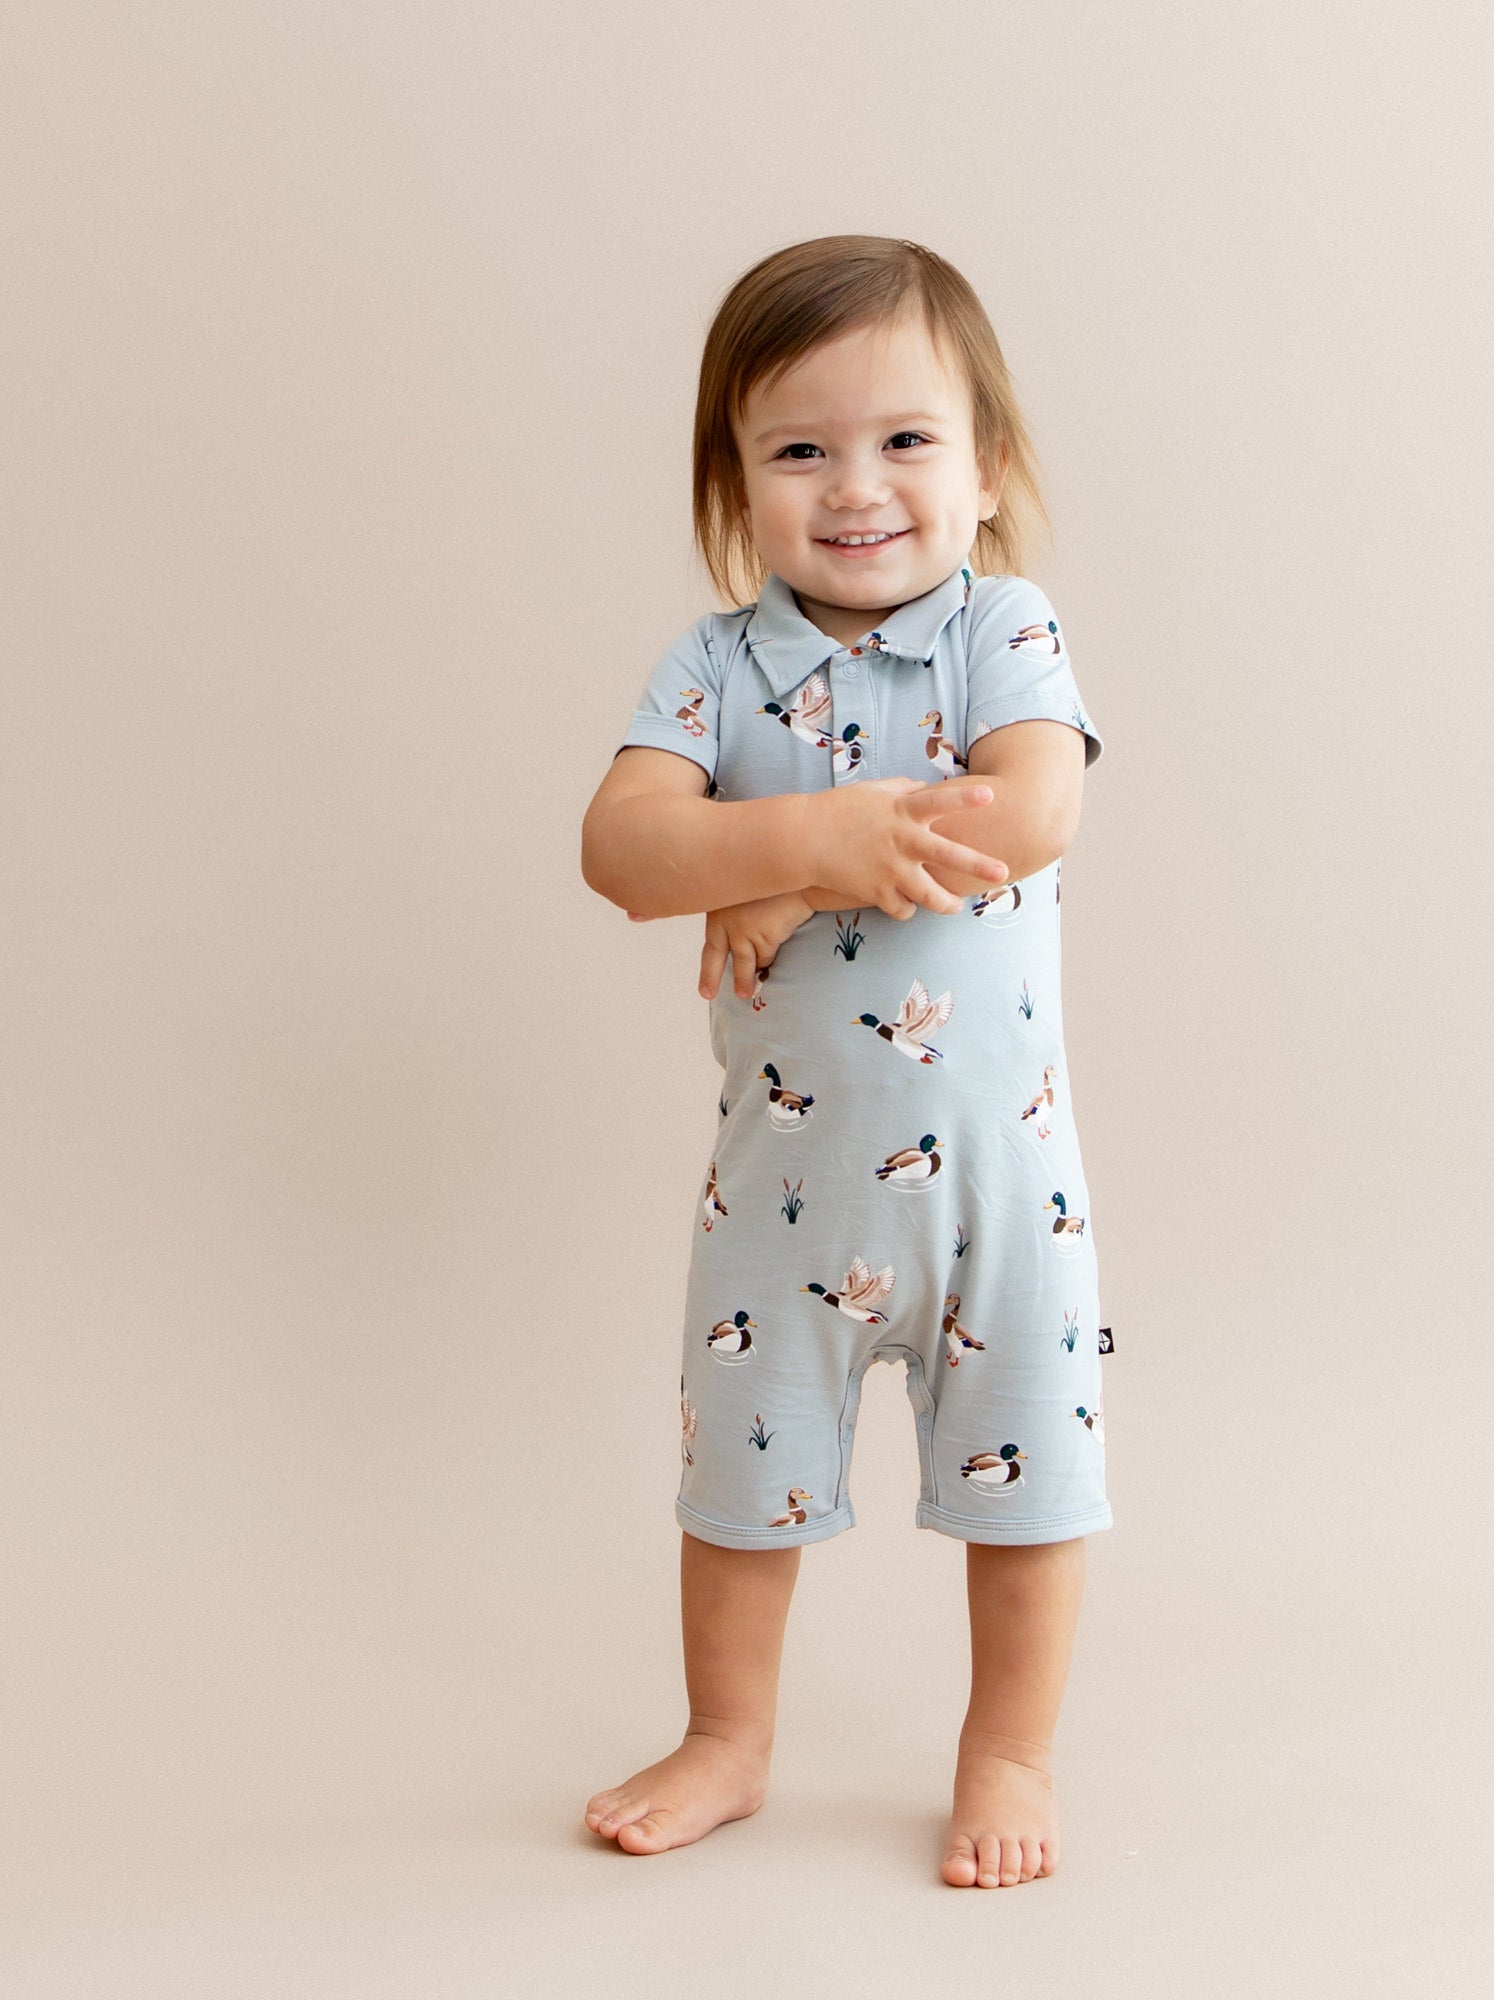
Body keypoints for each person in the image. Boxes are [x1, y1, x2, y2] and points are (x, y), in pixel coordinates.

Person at [580, 235, 1109, 1889]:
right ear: (735, 482)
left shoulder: (1000, 633)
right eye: (799, 448)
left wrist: (790, 877)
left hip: (999, 1195)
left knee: (1033, 1485)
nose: (856, 486)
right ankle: (729, 1739)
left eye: (904, 440)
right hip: (785, 1207)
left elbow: (1029, 809)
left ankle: (1007, 1750)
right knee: (739, 1483)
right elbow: (619, 846)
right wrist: (791, 829)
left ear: (989, 468)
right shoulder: (715, 667)